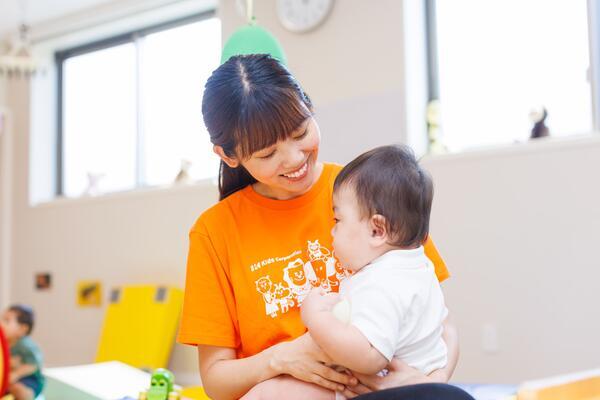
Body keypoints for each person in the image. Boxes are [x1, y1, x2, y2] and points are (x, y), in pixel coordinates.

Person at [177, 54, 458, 400]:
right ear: (228, 156)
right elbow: (216, 380)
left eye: (301, 132)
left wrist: (429, 379)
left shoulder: (370, 191)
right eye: (267, 154)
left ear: (310, 108)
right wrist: (280, 359)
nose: (295, 159)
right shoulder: (214, 232)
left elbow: (439, 323)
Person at [242, 145, 448, 400]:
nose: (332, 232)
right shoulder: (417, 267)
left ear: (377, 230)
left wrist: (315, 316)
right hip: (417, 385)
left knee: (267, 394)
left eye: (338, 221)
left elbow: (369, 356)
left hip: (382, 391)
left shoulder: (381, 283)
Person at [0, 305, 44, 400]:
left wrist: (15, 374)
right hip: (7, 379)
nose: (1, 323)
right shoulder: (3, 344)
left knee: (20, 390)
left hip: (28, 379)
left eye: (7, 321)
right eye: (2, 319)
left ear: (22, 329)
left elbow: (33, 364)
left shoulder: (25, 345)